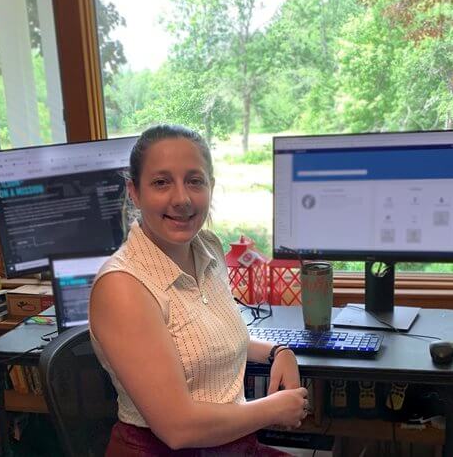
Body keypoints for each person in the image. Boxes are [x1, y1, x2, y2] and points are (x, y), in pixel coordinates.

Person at [89, 124, 309, 456]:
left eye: (194, 181)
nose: (182, 199)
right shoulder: (122, 286)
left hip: (229, 446)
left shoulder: (206, 247)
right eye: (161, 182)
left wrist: (279, 351)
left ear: (211, 186)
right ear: (134, 192)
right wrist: (274, 409)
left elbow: (206, 338)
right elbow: (178, 428)